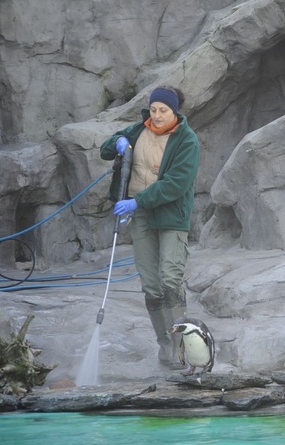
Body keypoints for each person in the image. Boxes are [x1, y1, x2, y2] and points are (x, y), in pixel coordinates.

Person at [100, 86, 200, 369]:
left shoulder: (186, 140)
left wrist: (137, 202)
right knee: (151, 286)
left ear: (175, 111)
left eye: (163, 111)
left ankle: (182, 348)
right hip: (141, 215)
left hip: (170, 216)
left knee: (169, 279)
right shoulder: (137, 130)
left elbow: (177, 183)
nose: (157, 116)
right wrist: (119, 141)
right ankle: (165, 346)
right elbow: (106, 150)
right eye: (154, 109)